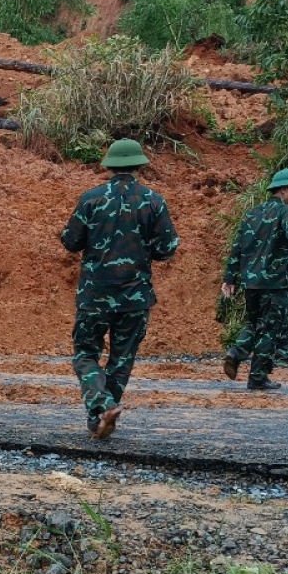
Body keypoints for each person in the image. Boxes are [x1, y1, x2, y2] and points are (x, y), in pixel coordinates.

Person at [60, 138, 180, 440]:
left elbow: (70, 242)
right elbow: (167, 249)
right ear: (140, 165)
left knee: (86, 353)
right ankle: (103, 412)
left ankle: (102, 406)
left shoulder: (91, 199)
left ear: (109, 167)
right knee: (121, 359)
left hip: (95, 295)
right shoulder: (154, 201)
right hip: (135, 296)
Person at [221, 168, 288, 391]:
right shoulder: (286, 211)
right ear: (283, 190)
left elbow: (238, 246)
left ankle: (236, 352)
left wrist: (230, 277)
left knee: (254, 323)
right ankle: (258, 377)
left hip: (251, 282)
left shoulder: (253, 213)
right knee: (270, 329)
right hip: (276, 283)